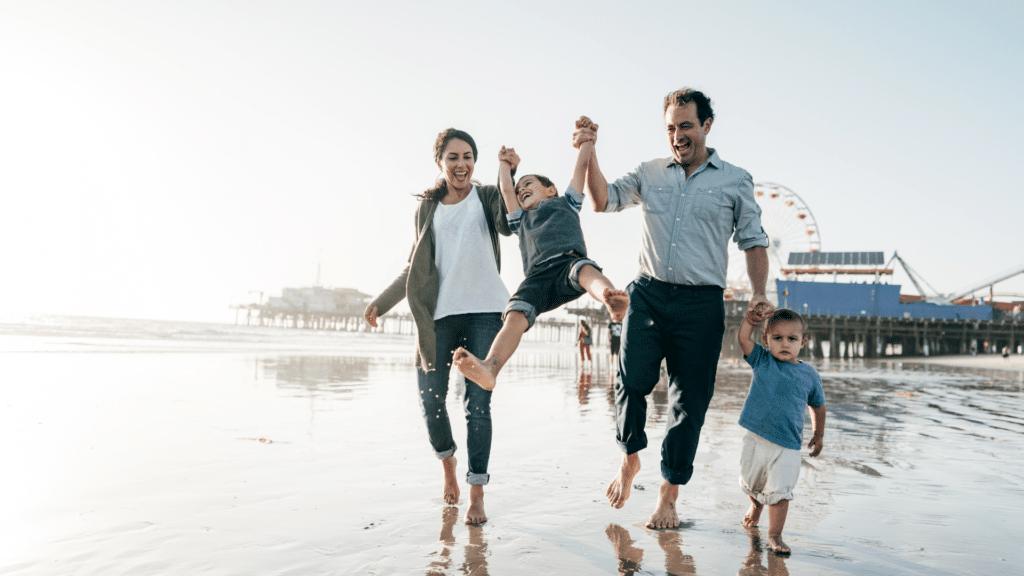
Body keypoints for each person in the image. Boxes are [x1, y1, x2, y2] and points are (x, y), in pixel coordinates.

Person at [575, 89, 774, 529]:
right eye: (670, 127)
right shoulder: (650, 172)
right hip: (647, 294)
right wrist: (588, 151)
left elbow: (754, 239)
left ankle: (668, 495)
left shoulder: (735, 180)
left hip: (701, 304)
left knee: (691, 404)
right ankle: (630, 459)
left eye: (686, 125)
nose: (677, 135)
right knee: (632, 379)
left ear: (706, 126)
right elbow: (602, 199)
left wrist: (759, 291)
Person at [363, 128, 513, 525]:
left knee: (477, 405)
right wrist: (382, 301)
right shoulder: (426, 210)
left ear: (474, 162)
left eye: (467, 157)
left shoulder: (487, 197)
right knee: (431, 402)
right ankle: (448, 467)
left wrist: (507, 173)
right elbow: (415, 268)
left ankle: (476, 493)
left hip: (486, 312)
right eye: (453, 157)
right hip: (439, 317)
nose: (461, 164)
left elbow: (511, 223)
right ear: (440, 163)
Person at [453, 123, 629, 391]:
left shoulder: (566, 202)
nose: (521, 188)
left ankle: (610, 298)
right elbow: (506, 190)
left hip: (568, 264)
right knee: (514, 315)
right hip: (536, 280)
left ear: (550, 189)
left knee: (586, 270)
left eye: (529, 183)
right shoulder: (519, 219)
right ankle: (491, 368)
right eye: (520, 186)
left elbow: (580, 169)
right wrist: (504, 164)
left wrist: (586, 143)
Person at [737, 308, 826, 556]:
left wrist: (819, 434)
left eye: (791, 339)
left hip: (788, 444)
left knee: (781, 490)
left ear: (803, 343)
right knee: (752, 483)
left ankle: (775, 534)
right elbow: (744, 339)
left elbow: (817, 405)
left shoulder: (809, 375)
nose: (784, 343)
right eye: (777, 338)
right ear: (766, 341)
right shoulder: (762, 360)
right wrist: (749, 321)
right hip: (756, 438)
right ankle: (755, 507)